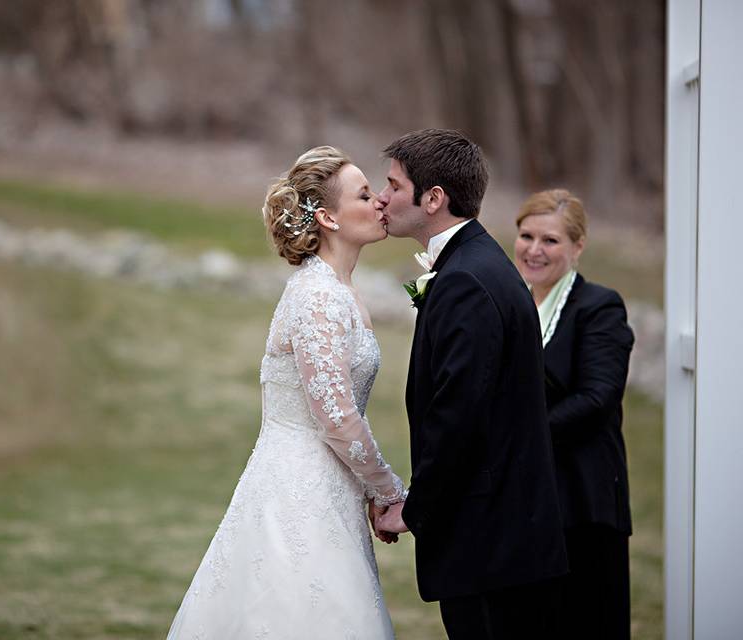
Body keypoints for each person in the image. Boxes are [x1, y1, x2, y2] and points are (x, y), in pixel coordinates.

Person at [167, 146, 405, 639]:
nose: (380, 201)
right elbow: (336, 418)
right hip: (298, 487)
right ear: (328, 218)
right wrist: (387, 490)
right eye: (364, 194)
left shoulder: (340, 290)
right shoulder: (317, 295)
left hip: (329, 485)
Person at [373, 129, 568, 640]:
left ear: (433, 198)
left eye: (393, 185)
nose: (382, 197)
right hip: (502, 537)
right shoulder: (477, 264)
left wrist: (415, 509)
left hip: (490, 543)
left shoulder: (465, 280)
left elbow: (458, 416)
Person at [513, 188, 635, 639]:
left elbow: (598, 398)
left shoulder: (599, 307)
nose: (534, 250)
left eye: (550, 240)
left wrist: (521, 437)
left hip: (583, 499)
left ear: (578, 246)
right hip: (525, 499)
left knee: (585, 622)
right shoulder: (511, 302)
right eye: (526, 236)